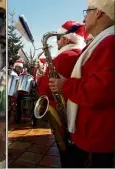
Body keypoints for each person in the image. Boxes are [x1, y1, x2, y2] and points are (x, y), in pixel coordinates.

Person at [49, 0, 115, 167]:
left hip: (96, 137)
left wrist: (66, 86)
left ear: (98, 12)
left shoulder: (110, 43)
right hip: (92, 133)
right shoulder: (100, 42)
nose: (84, 18)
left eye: (87, 12)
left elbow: (101, 91)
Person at [36, 20, 88, 167]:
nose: (57, 43)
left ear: (65, 38)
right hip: (78, 118)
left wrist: (40, 78)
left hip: (64, 117)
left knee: (67, 159)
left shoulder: (64, 57)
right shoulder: (81, 54)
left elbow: (46, 88)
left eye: (58, 39)